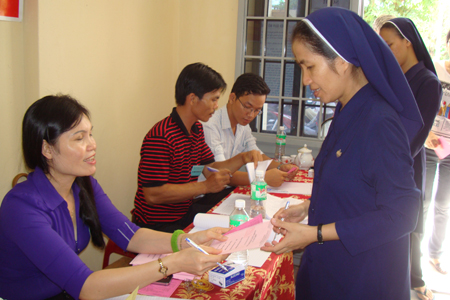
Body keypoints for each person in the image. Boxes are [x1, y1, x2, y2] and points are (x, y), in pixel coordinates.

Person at [261, 7, 422, 300]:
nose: (306, 80)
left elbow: (402, 215)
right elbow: (354, 187)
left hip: (362, 277)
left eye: (309, 67)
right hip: (331, 269)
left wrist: (316, 233)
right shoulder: (347, 109)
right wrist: (309, 208)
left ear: (343, 62)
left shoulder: (379, 120)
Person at [0, 95, 230, 300]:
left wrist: (187, 241)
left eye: (90, 134)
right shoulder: (21, 208)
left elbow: (130, 235)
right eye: (79, 138)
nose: (92, 145)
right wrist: (172, 263)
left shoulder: (83, 185)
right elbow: (86, 286)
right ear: (47, 150)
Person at [132, 63, 262, 233]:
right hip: (157, 225)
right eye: (214, 99)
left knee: (238, 217)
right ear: (192, 99)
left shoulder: (196, 129)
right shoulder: (161, 136)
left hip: (184, 214)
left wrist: (243, 158)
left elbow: (211, 169)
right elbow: (153, 194)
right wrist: (205, 187)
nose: (216, 105)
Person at [380, 18, 442, 300]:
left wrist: (383, 162)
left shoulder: (427, 82)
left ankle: (410, 284)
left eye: (390, 44)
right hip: (386, 163)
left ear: (408, 42)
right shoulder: (396, 79)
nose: (386, 50)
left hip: (404, 167)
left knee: (404, 233)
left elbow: (414, 137)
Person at [202, 73, 298, 187]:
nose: (251, 115)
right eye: (247, 107)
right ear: (232, 98)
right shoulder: (210, 125)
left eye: (257, 110)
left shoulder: (243, 124)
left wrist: (279, 167)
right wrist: (261, 178)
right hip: (207, 196)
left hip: (227, 190)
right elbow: (220, 174)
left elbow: (256, 154)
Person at [424, 28, 450, 276]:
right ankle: (413, 257)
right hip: (431, 145)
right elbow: (423, 104)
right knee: (423, 201)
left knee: (443, 204)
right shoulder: (434, 69)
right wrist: (427, 133)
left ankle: (435, 254)